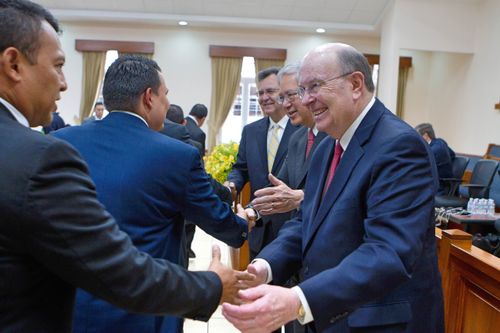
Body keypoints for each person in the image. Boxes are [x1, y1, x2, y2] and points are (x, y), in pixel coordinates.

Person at [0, 1, 253, 331]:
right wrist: (214, 283)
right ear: (14, 64)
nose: (63, 83)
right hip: (138, 312)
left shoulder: (61, 140)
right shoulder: (41, 155)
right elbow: (122, 272)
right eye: (59, 65)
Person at [222, 43, 444, 333]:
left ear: (355, 84)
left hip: (377, 321)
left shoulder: (399, 146)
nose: (307, 99)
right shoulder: (328, 145)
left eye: (315, 86)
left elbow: (388, 252)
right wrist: (264, 267)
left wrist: (297, 300)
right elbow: (305, 223)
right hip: (330, 315)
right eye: (302, 90)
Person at [53, 55, 255, 333]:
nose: (168, 104)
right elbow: (219, 222)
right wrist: (244, 224)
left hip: (70, 306)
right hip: (144, 309)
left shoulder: (60, 142)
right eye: (165, 95)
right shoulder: (176, 156)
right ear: (149, 97)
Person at [226, 66, 299, 260]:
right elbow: (241, 168)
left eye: (270, 91)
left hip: (291, 227)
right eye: (260, 92)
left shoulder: (302, 130)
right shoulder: (251, 131)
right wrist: (232, 183)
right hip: (257, 226)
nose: (264, 97)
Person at [251, 62, 327, 219]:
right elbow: (280, 184)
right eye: (282, 97)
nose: (285, 104)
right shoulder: (297, 139)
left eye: (291, 95)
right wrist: (251, 211)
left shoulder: (334, 136)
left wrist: (300, 198)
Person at [415, 122, 456, 194]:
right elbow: (452, 155)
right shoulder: (440, 142)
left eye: (418, 136)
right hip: (442, 182)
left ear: (425, 135)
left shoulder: (432, 150)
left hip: (438, 186)